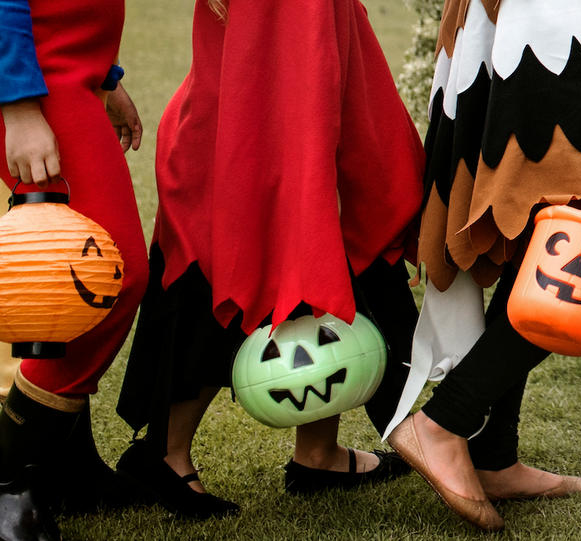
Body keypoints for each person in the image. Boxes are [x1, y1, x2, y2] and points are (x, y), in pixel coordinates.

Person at [387, 0, 581, 531]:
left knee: (543, 233)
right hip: (544, 25)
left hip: (570, 20)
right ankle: (443, 423)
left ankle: (493, 457)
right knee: (576, 229)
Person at [112, 0, 425, 519]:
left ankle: (319, 453)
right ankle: (166, 455)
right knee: (240, 264)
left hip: (283, 100)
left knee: (321, 257)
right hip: (255, 121)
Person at [0, 0, 150, 536]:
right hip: (34, 84)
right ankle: (9, 477)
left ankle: (67, 470)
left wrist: (103, 75)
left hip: (71, 74)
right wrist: (15, 104)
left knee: (71, 280)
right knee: (107, 275)